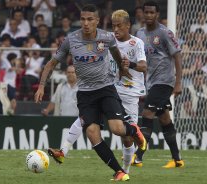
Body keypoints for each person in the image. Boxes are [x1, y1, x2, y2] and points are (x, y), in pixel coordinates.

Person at [34, 4, 146, 181]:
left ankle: (135, 131)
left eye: (90, 19)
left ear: (97, 21)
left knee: (117, 129)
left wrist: (123, 70)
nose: (86, 23)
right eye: (83, 19)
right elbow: (51, 64)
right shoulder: (71, 40)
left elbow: (116, 54)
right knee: (92, 134)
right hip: (85, 94)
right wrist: (41, 86)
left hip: (106, 89)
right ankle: (119, 172)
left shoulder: (106, 37)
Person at [132, 1, 184, 168]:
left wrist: (178, 83)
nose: (148, 15)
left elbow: (177, 56)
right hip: (151, 82)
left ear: (157, 14)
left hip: (165, 81)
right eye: (145, 12)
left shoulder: (164, 33)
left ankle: (138, 156)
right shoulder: (139, 34)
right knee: (164, 118)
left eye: (151, 13)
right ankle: (177, 160)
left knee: (147, 114)